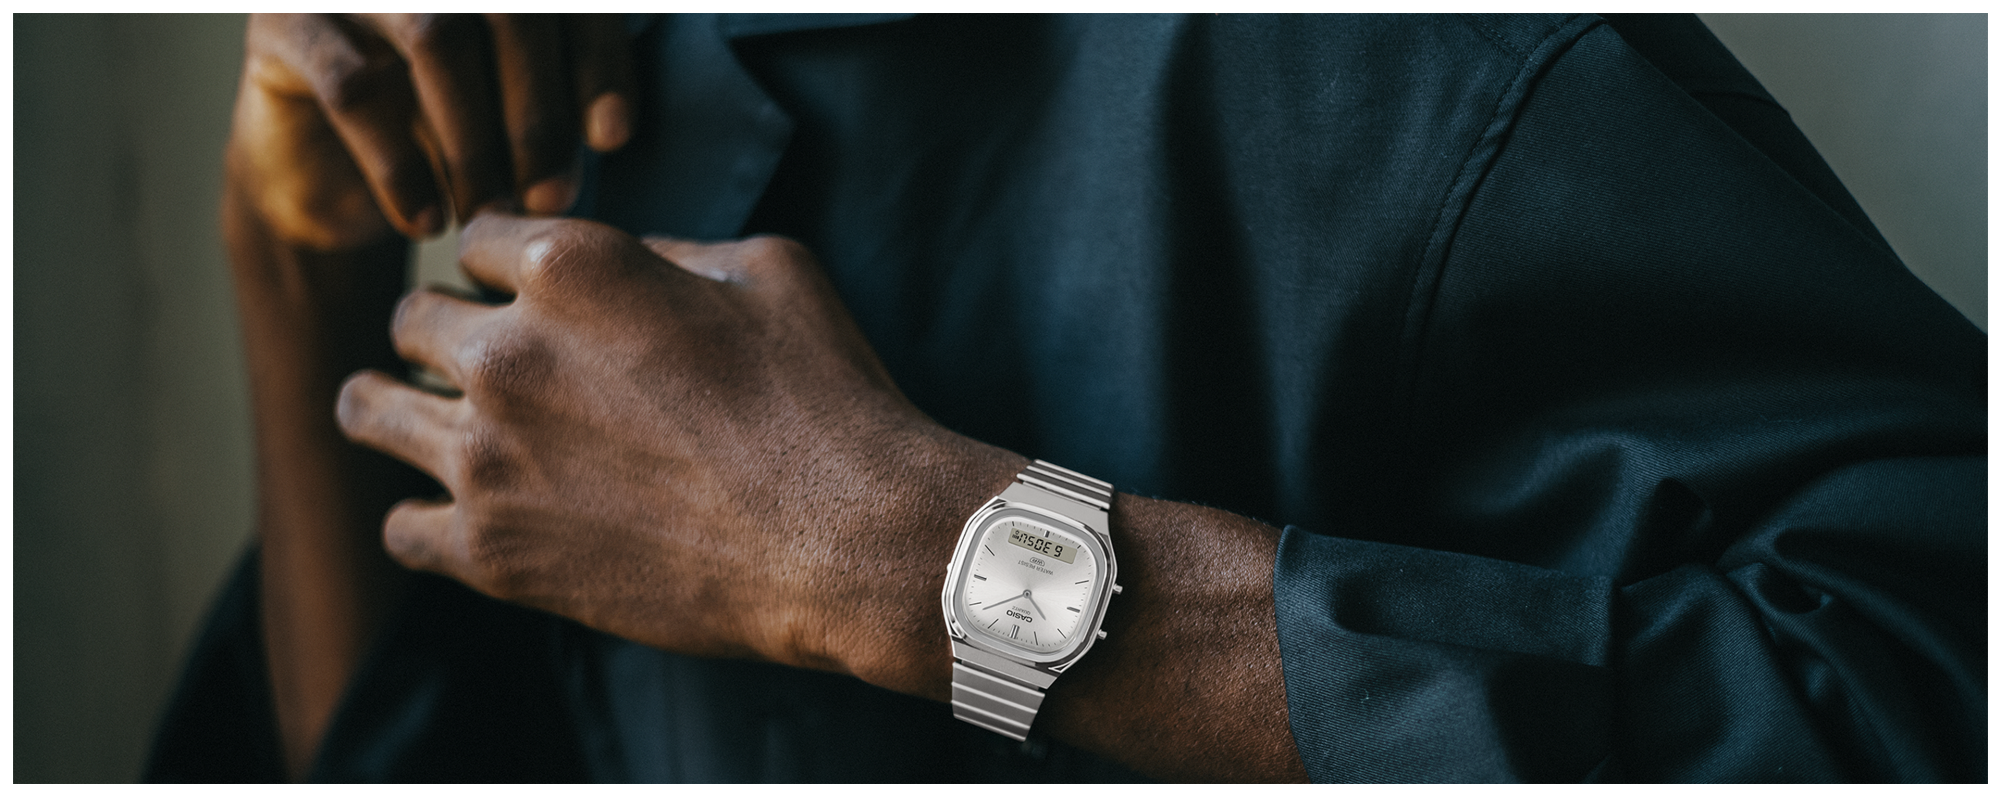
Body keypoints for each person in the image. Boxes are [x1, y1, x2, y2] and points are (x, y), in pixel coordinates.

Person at [147, 13, 1985, 782]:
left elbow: (1929, 686)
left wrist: (916, 565)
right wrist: (291, 257)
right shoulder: (556, 86)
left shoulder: (1420, 79)